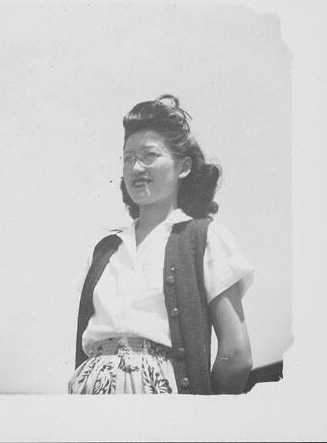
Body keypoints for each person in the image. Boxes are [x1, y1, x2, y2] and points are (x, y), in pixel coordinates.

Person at [69, 94, 254, 395]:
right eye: (128, 158)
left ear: (183, 167)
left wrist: (204, 421)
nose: (136, 167)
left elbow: (236, 356)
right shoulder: (105, 251)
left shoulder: (204, 239)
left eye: (149, 155)